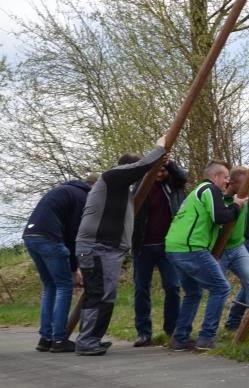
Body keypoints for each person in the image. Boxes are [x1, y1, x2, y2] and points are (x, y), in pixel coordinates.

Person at [74, 138, 167, 356]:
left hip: (106, 248)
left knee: (103, 295)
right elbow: (140, 168)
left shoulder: (120, 188)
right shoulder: (113, 176)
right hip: (97, 246)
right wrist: (160, 149)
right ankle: (87, 341)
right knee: (100, 295)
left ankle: (91, 339)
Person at [165, 160, 244, 351]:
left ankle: (180, 338)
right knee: (221, 288)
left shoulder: (197, 192)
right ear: (215, 177)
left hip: (175, 247)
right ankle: (206, 337)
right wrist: (236, 206)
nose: (227, 181)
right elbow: (220, 216)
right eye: (225, 177)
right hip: (191, 248)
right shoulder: (209, 189)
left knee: (193, 293)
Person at [22, 176, 95, 353]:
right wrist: (73, 268)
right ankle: (59, 339)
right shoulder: (81, 196)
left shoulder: (62, 191)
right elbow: (72, 233)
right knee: (64, 286)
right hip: (50, 238)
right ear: (92, 188)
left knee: (49, 286)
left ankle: (45, 338)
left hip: (30, 236)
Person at [131, 158, 187, 347]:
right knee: (141, 289)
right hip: (143, 246)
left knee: (172, 286)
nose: (161, 174)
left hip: (167, 246)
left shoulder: (173, 185)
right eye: (158, 171)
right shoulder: (141, 186)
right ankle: (143, 332)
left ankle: (171, 329)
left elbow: (182, 177)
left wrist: (169, 163)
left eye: (164, 171)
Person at [220, 167, 249, 331]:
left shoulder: (246, 196)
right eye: (244, 184)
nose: (247, 188)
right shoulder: (219, 199)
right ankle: (212, 329)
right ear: (232, 183)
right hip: (219, 249)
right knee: (220, 288)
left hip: (238, 247)